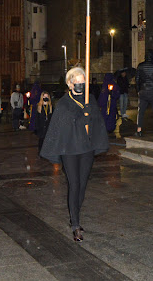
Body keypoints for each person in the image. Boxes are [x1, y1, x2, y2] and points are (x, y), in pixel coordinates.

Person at [40, 67, 109, 242]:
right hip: (69, 149)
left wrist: (89, 115)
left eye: (82, 82)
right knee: (75, 184)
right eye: (76, 82)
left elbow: (97, 122)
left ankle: (74, 214)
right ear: (70, 84)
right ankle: (75, 224)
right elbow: (62, 126)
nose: (80, 85)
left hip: (86, 148)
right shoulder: (63, 103)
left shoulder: (90, 99)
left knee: (83, 185)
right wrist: (80, 117)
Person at [135, 49, 153, 137]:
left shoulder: (140, 66)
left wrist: (138, 90)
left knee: (141, 111)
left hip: (143, 90)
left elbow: (137, 80)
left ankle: (139, 129)